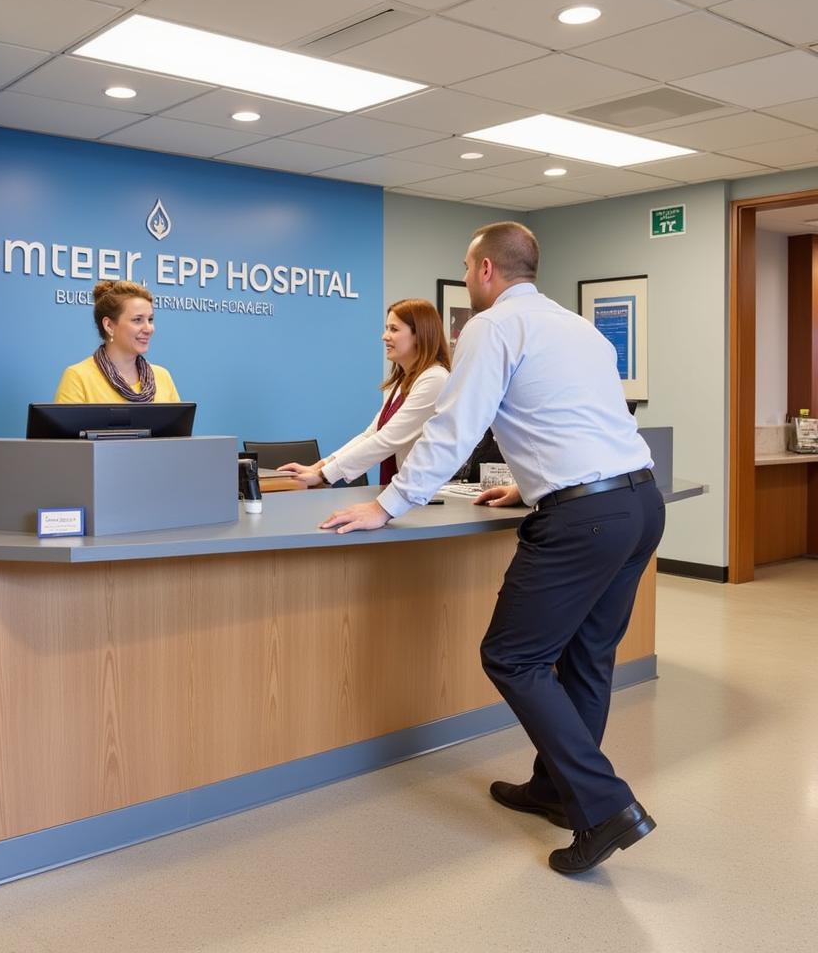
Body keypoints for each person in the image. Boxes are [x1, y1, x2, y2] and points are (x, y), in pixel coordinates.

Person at [320, 222, 664, 876]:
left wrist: (386, 504)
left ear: (483, 271)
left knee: (513, 656)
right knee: (587, 659)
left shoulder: (490, 326)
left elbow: (456, 427)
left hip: (587, 515)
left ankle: (606, 805)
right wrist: (535, 488)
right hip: (639, 502)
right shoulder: (576, 327)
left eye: (465, 263)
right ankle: (556, 792)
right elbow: (579, 420)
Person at [278, 299, 450, 487]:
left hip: (426, 495)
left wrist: (323, 475)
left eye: (394, 329)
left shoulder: (435, 379)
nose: (384, 336)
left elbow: (388, 439)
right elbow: (371, 435)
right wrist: (319, 466)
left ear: (419, 335)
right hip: (402, 491)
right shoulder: (402, 381)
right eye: (387, 328)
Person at [54, 281, 180, 404]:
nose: (149, 329)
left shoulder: (162, 377)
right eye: (137, 320)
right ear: (109, 326)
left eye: (150, 319)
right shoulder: (78, 378)